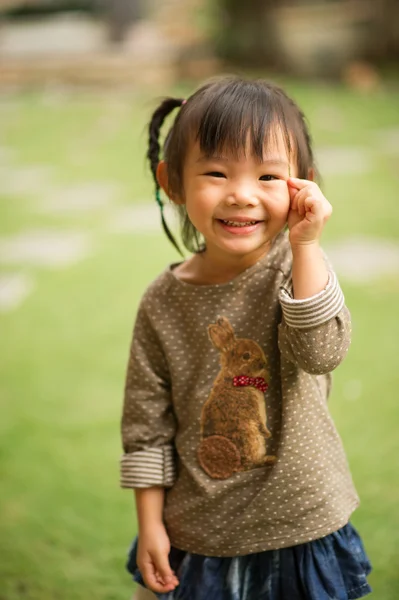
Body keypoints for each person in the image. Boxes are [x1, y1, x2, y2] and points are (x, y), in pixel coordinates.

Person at [120, 77, 372, 600]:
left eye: (268, 175)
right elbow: (146, 425)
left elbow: (322, 353)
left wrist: (306, 246)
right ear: (173, 182)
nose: (241, 193)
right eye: (215, 172)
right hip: (198, 529)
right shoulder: (162, 302)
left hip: (302, 520)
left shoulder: (299, 271)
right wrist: (150, 523)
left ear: (300, 186)